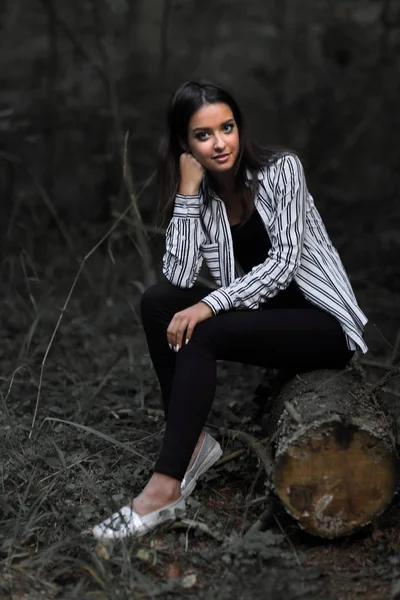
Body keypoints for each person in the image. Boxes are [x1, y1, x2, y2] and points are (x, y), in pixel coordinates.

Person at [91, 80, 368, 540]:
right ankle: (194, 443)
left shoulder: (282, 170)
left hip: (323, 323)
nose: (220, 143)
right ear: (185, 144)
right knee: (158, 302)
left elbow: (284, 265)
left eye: (228, 127)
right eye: (204, 135)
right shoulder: (201, 192)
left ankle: (164, 488)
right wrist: (186, 191)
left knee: (205, 330)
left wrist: (209, 305)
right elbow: (178, 275)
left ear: (240, 127)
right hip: (269, 320)